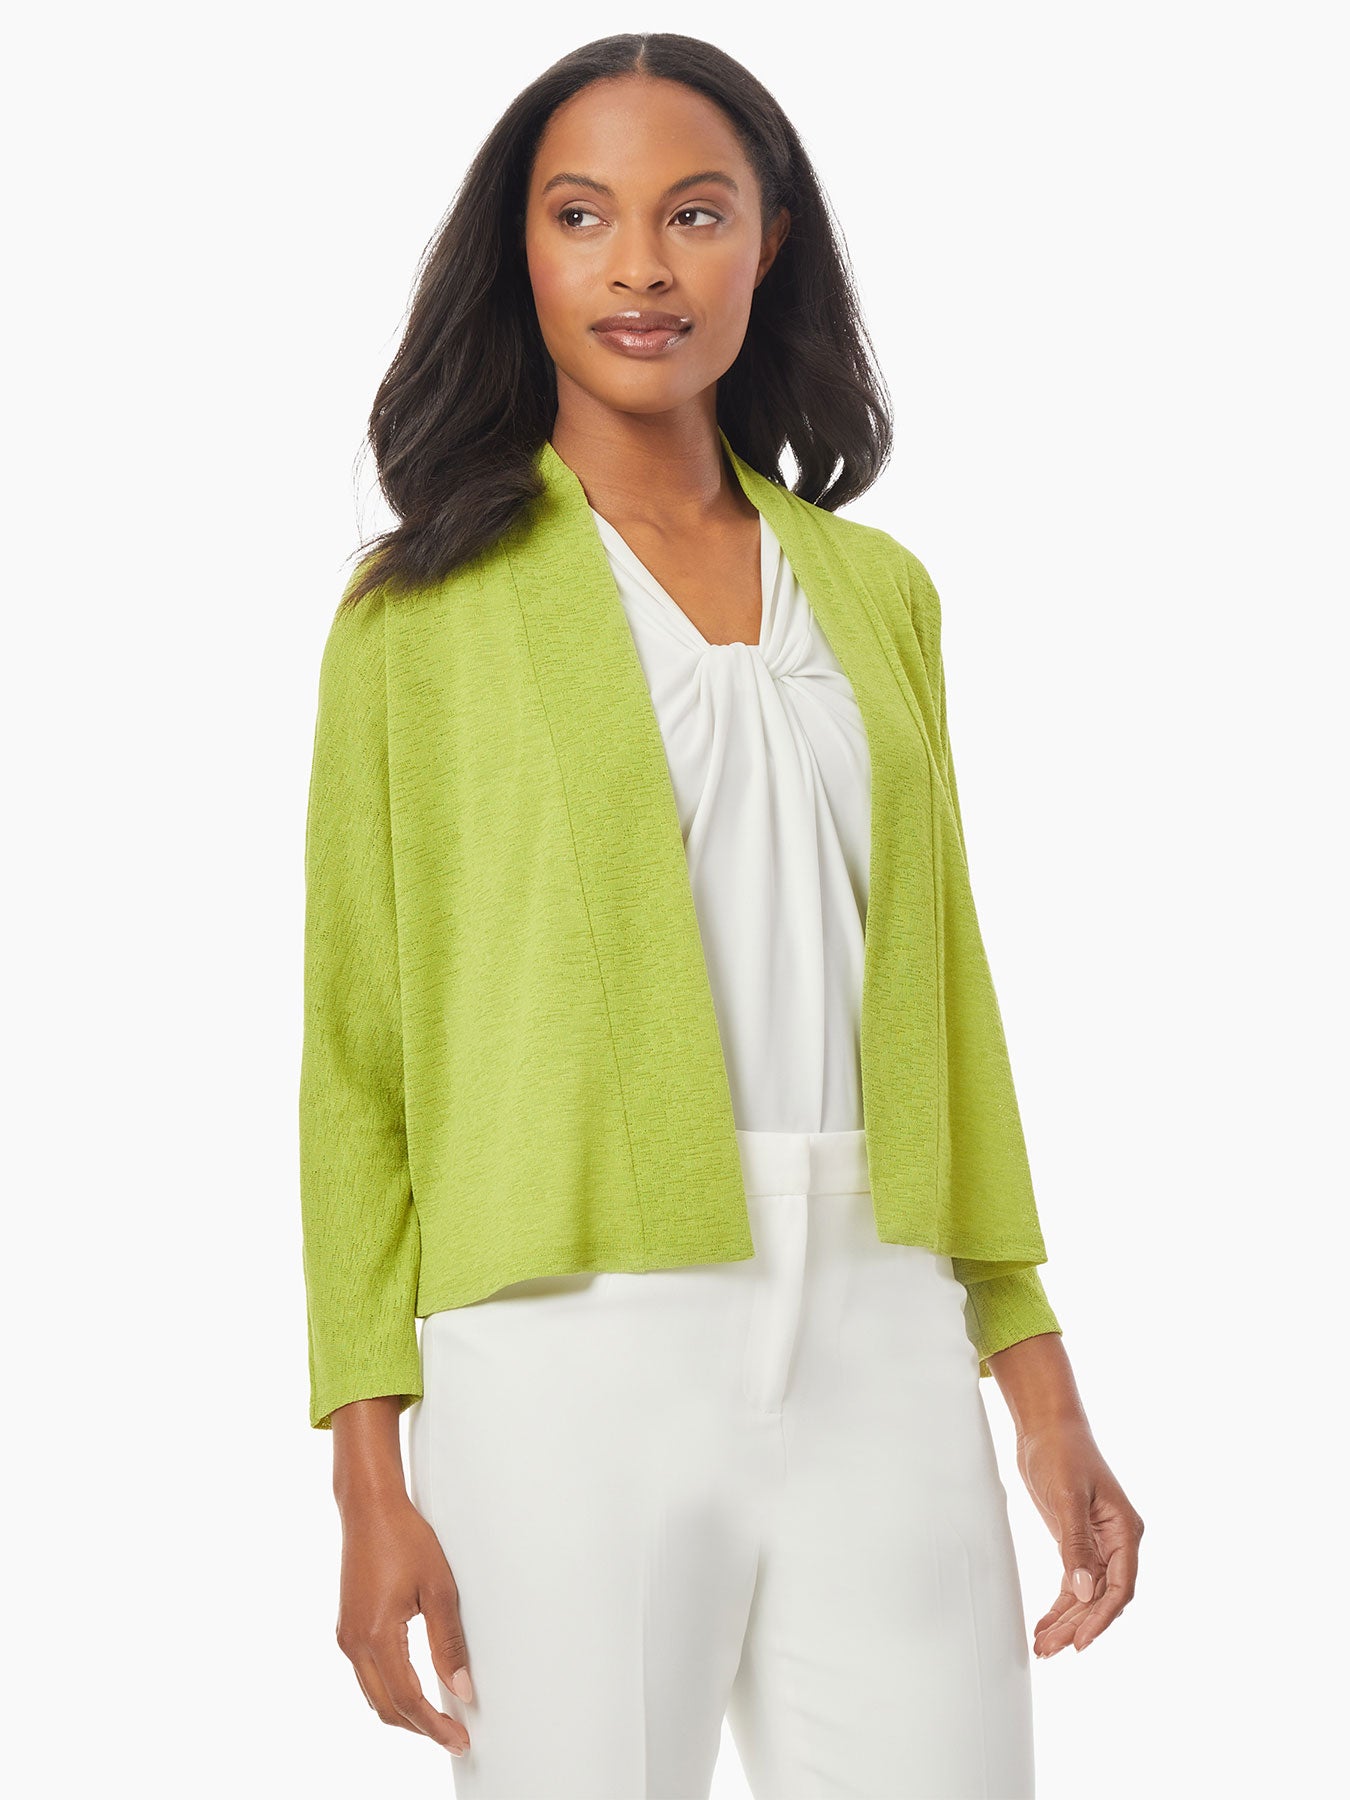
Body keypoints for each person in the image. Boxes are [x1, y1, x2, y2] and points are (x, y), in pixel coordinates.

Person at [298, 32, 1144, 1800]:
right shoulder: (417, 612)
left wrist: (1036, 1377)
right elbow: (358, 1058)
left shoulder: (875, 591)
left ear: (770, 242)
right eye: (580, 216)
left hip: (883, 1322)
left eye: (693, 214)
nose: (638, 267)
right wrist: (368, 1473)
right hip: (565, 1347)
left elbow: (945, 997)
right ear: (518, 253)